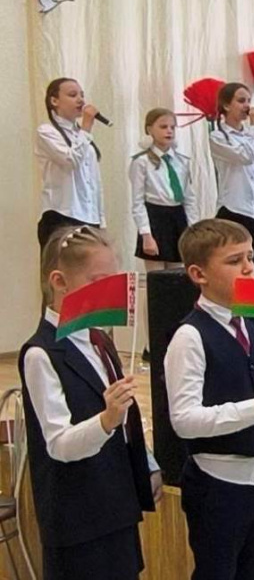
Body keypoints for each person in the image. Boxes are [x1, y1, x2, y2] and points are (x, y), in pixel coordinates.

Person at [20, 225, 160, 579]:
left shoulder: (99, 341)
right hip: (77, 519)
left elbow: (125, 420)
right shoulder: (41, 354)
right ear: (59, 281)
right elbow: (59, 444)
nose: (111, 291)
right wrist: (106, 420)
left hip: (116, 504)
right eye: (99, 281)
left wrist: (146, 462)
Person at [166, 219, 254, 580]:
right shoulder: (190, 337)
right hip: (217, 483)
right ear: (199, 274)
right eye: (234, 260)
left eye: (250, 257)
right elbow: (184, 420)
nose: (248, 268)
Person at [35, 78, 105, 249]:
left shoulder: (81, 136)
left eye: (82, 95)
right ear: (54, 101)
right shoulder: (47, 131)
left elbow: (94, 182)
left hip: (90, 217)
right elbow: (70, 161)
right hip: (62, 215)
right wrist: (86, 126)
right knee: (62, 265)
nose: (80, 100)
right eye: (73, 95)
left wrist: (101, 220)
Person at [209, 83, 254, 264]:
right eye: (241, 101)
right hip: (234, 208)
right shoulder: (218, 137)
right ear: (226, 105)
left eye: (248, 101)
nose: (247, 106)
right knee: (233, 262)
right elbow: (245, 157)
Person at [130, 108, 198, 267]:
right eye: (163, 127)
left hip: (178, 218)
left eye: (172, 127)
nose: (169, 131)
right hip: (156, 218)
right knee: (157, 273)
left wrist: (193, 229)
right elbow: (138, 202)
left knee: (178, 273)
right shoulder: (141, 162)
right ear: (149, 130)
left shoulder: (182, 161)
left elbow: (189, 198)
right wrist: (146, 234)